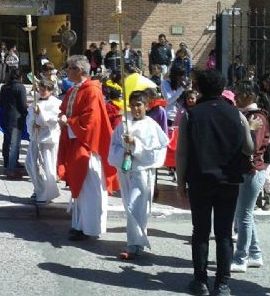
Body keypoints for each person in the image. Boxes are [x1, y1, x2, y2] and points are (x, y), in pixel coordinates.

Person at [176, 69, 254, 296]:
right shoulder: (236, 114)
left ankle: (200, 282)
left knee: (200, 231)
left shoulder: (191, 115)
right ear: (222, 88)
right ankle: (222, 284)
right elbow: (249, 148)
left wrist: (180, 182)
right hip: (229, 181)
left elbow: (182, 153)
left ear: (199, 88)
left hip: (200, 180)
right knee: (224, 233)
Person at [57, 55, 119, 241]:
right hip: (76, 142)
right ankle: (79, 225)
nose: (67, 72)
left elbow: (90, 121)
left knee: (90, 189)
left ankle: (90, 227)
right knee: (80, 188)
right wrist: (62, 118)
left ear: (80, 70)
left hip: (89, 146)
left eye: (69, 68)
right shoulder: (74, 88)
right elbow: (65, 110)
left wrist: (68, 122)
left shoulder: (92, 91)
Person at [107, 90, 169, 260]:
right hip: (126, 170)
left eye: (139, 105)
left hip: (142, 172)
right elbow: (113, 146)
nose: (135, 109)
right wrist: (124, 150)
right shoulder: (123, 125)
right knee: (129, 206)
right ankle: (135, 243)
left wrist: (136, 144)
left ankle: (134, 244)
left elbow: (155, 151)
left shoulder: (151, 126)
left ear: (146, 106)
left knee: (135, 206)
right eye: (132, 105)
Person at [230, 80, 270, 274]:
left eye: (240, 93)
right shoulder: (246, 115)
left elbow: (252, 147)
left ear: (251, 95)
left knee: (243, 217)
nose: (236, 96)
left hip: (252, 171)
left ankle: (241, 258)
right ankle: (255, 254)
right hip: (246, 170)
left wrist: (247, 129)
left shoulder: (256, 117)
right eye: (236, 92)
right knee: (245, 215)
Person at [25, 78, 62, 204]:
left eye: (44, 90)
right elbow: (29, 117)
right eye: (40, 90)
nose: (41, 92)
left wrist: (40, 115)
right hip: (35, 137)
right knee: (30, 164)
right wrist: (33, 123)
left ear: (50, 90)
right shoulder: (36, 101)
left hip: (48, 139)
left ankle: (47, 193)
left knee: (47, 166)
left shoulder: (56, 103)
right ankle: (39, 188)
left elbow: (54, 120)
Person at [0, 68, 27, 179]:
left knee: (6, 141)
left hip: (5, 117)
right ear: (20, 77)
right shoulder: (20, 87)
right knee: (15, 144)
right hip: (17, 119)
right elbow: (23, 105)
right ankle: (11, 167)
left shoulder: (4, 87)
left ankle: (7, 162)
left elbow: (0, 103)